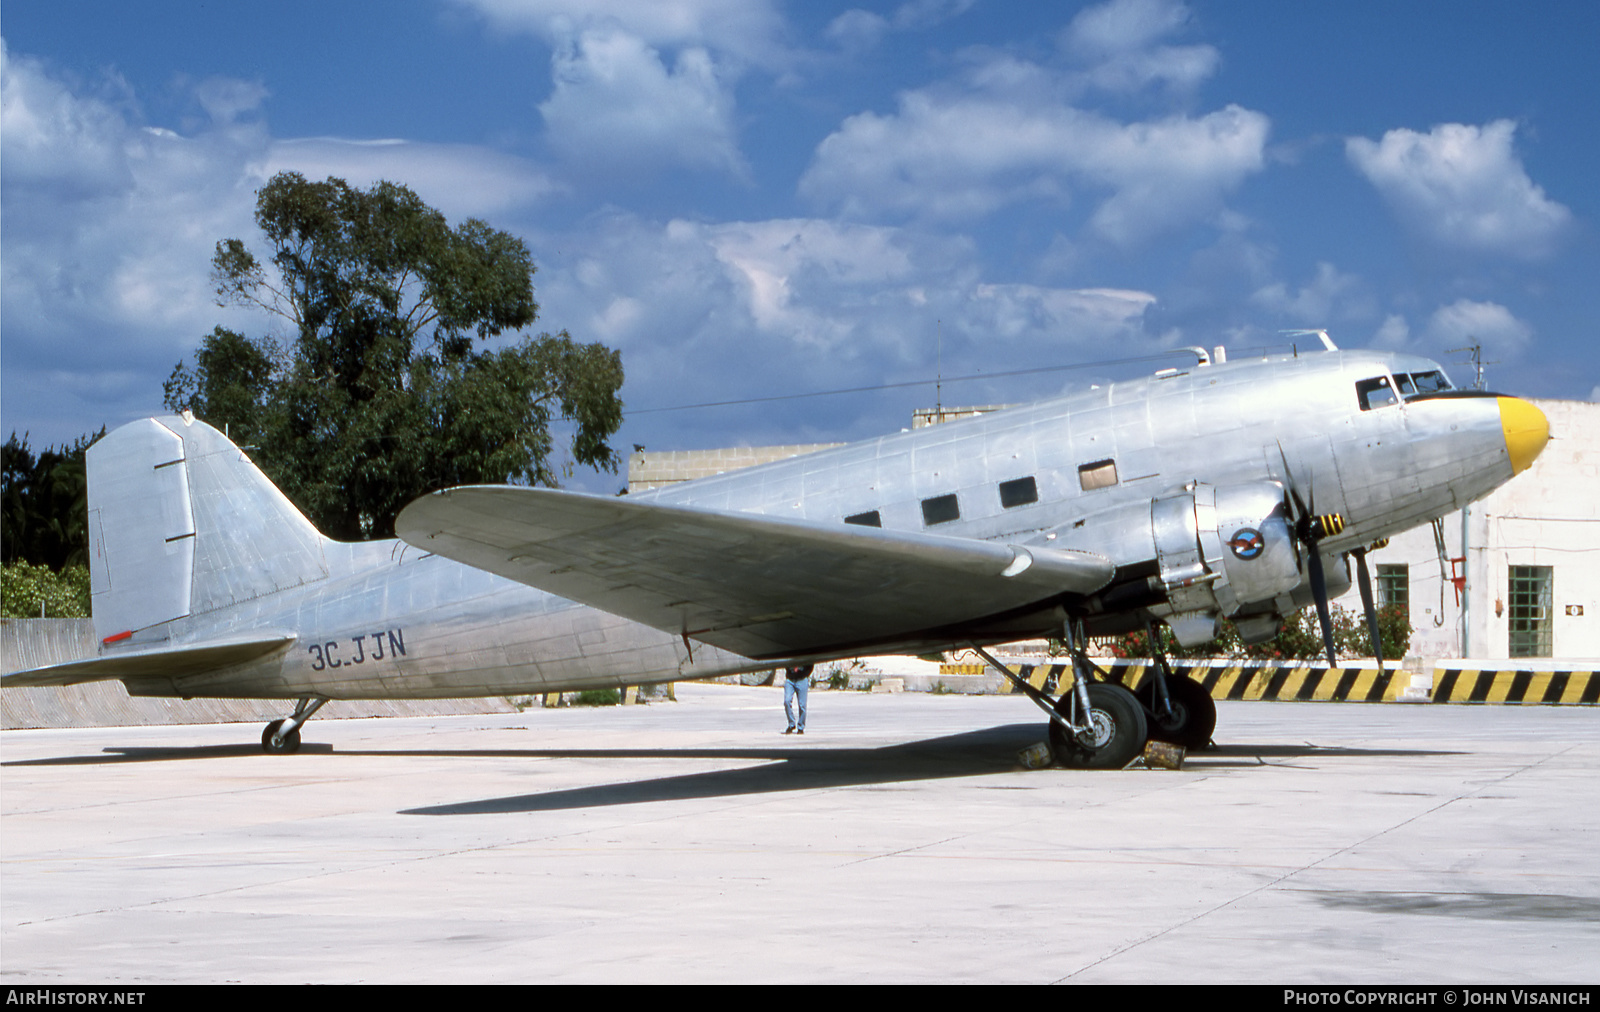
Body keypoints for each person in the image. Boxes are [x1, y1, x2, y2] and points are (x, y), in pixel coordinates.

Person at [783, 663, 813, 734]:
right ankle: (791, 724)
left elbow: (810, 664)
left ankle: (801, 726)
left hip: (802, 679)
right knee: (787, 701)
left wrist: (804, 674)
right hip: (790, 679)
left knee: (802, 705)